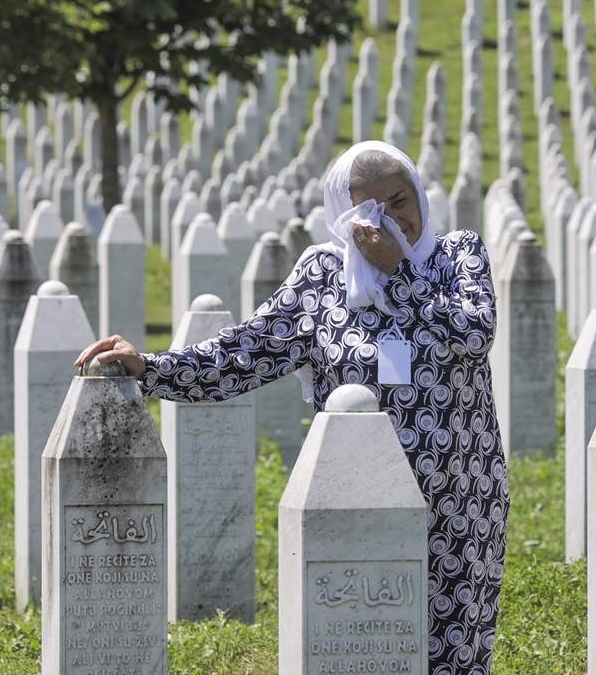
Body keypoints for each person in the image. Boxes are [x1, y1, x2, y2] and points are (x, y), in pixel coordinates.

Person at [75, 141, 510, 675]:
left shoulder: (457, 255)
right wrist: (151, 367)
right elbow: (241, 356)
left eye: (399, 201)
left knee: (452, 659)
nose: (389, 220)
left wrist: (399, 273)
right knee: (361, 653)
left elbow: (474, 334)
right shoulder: (321, 280)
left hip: (460, 501)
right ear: (341, 215)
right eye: (367, 210)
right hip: (352, 500)